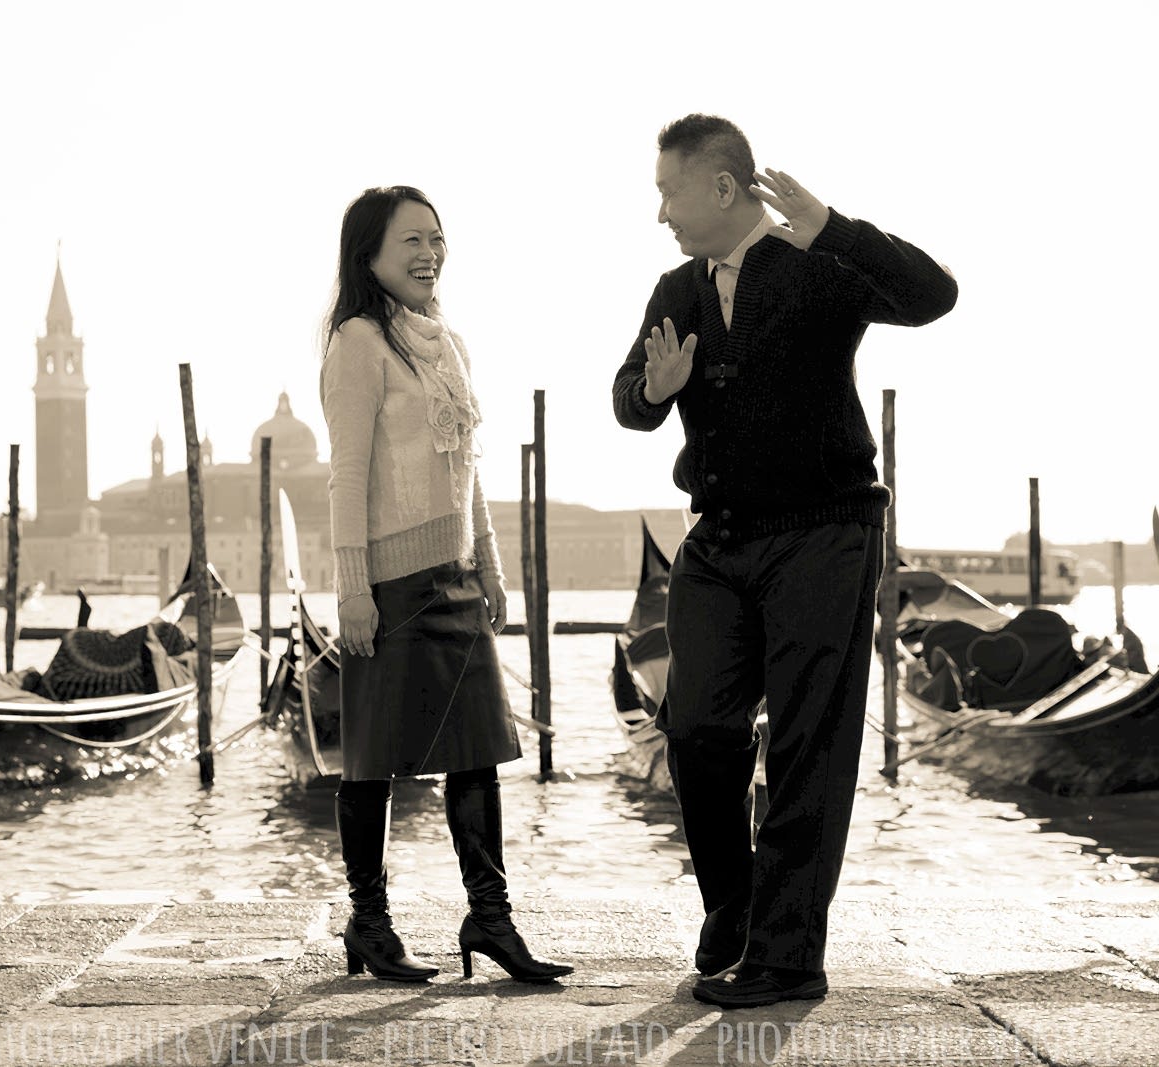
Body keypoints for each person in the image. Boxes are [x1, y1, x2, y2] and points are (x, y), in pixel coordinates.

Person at [612, 115, 957, 1008]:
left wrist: (838, 229)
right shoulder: (675, 290)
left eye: (669, 191)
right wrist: (654, 389)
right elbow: (627, 399)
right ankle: (733, 904)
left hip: (825, 530)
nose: (660, 212)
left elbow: (934, 294)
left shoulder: (820, 265)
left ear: (723, 188)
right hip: (719, 538)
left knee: (811, 742)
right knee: (694, 730)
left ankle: (790, 954)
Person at [319, 185, 571, 985]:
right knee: (370, 759)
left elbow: (467, 471)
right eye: (410, 243)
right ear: (370, 257)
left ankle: (490, 918)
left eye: (437, 239)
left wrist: (490, 565)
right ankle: (369, 921)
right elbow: (346, 477)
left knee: (478, 755)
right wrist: (352, 587)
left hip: (456, 580)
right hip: (388, 589)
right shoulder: (357, 344)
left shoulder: (450, 343)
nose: (429, 254)